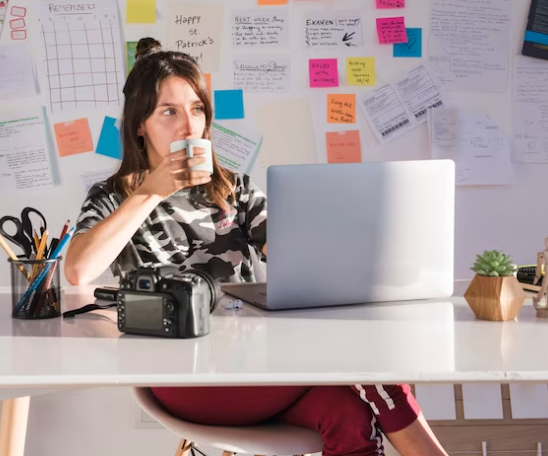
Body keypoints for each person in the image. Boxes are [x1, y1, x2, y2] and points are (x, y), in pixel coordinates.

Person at [66, 39, 448, 456]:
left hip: (258, 364)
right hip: (180, 375)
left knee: (348, 416)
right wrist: (151, 193)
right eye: (169, 112)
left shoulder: (233, 188)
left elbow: (296, 260)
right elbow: (79, 271)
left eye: (196, 110)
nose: (188, 127)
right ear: (140, 124)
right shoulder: (114, 196)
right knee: (371, 363)